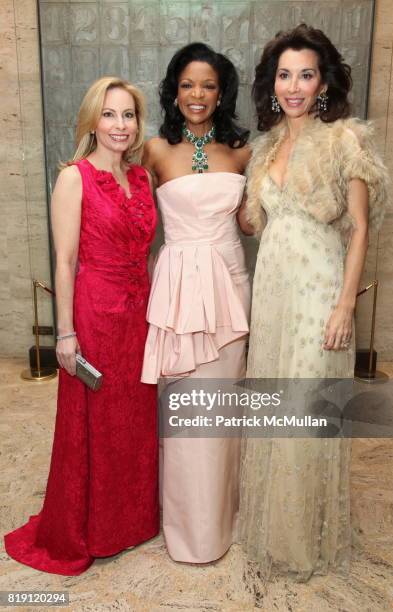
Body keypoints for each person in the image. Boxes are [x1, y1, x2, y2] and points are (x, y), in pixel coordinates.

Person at [238, 24, 388, 581]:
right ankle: (272, 531)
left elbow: (360, 230)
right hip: (273, 295)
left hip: (319, 295)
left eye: (305, 74)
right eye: (284, 75)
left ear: (323, 81)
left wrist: (345, 305)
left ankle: (302, 544)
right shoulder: (269, 144)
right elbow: (256, 224)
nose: (294, 86)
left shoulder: (344, 139)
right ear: (271, 82)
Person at [4, 77, 159, 575]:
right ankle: (88, 528)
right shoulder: (75, 177)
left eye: (128, 115)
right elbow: (65, 261)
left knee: (133, 424)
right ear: (93, 120)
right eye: (110, 114)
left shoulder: (142, 179)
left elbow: (148, 251)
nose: (119, 124)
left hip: (138, 318)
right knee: (95, 427)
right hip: (94, 318)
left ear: (138, 123)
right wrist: (64, 334)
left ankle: (131, 522)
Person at [141, 42, 251, 563]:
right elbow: (129, 217)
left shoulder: (244, 150)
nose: (198, 94)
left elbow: (254, 220)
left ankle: (223, 521)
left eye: (208, 84)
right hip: (179, 291)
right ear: (174, 90)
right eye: (187, 84)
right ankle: (184, 529)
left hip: (230, 290)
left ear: (222, 90)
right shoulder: (153, 150)